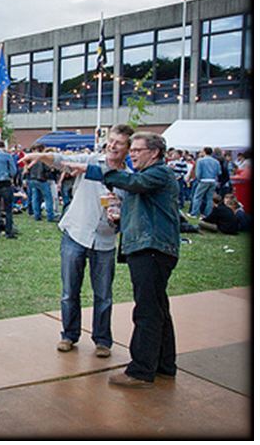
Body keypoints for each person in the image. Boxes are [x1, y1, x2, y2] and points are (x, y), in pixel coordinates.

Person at [77, 131, 180, 388]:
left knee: (147, 311)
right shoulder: (148, 177)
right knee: (158, 309)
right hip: (150, 248)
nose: (131, 154)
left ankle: (141, 370)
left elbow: (134, 183)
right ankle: (164, 365)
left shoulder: (158, 174)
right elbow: (143, 205)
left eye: (137, 150)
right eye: (131, 149)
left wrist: (106, 169)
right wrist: (121, 218)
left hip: (152, 249)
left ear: (154, 153)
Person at [23, 123, 134, 359]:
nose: (113, 146)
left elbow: (131, 214)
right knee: (69, 291)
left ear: (128, 148)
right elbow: (61, 160)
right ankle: (69, 335)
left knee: (103, 294)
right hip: (76, 234)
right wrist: (40, 155)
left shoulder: (129, 178)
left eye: (119, 143)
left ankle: (102, 340)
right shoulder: (92, 161)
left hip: (104, 240)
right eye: (111, 140)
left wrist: (119, 213)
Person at [27, 143, 56, 222]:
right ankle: (50, 216)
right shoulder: (43, 158)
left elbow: (28, 168)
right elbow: (47, 168)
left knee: (35, 198)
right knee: (48, 198)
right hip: (42, 179)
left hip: (33, 178)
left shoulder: (32, 158)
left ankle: (37, 215)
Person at [190, 146, 222, 219]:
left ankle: (194, 213)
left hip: (203, 180)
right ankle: (207, 214)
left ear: (204, 152)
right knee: (210, 198)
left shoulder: (200, 161)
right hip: (213, 180)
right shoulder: (216, 161)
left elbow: (198, 173)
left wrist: (199, 179)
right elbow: (219, 172)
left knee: (197, 197)